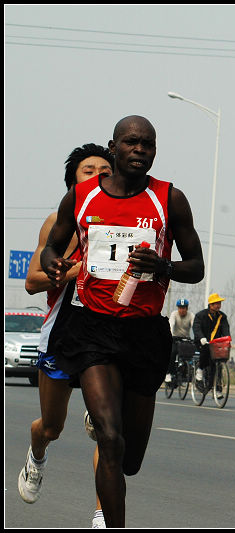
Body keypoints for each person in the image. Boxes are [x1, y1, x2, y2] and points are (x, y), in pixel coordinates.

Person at [40, 115, 204, 527]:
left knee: (129, 458)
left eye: (147, 145)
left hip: (144, 331)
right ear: (113, 148)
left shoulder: (169, 199)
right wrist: (55, 266)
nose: (140, 151)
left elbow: (196, 266)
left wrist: (163, 265)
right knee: (110, 441)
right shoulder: (82, 196)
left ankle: (111, 419)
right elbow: (51, 248)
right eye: (131, 143)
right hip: (92, 327)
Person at [18, 144, 113, 528]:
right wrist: (78, 269)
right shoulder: (58, 222)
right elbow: (31, 282)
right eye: (88, 170)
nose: (98, 175)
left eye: (105, 169)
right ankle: (37, 454)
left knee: (109, 431)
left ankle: (102, 514)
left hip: (107, 336)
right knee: (52, 427)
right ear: (74, 183)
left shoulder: (124, 222)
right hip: (63, 334)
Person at [193, 293, 230, 387]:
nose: (218, 305)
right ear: (210, 305)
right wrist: (201, 337)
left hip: (216, 344)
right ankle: (200, 371)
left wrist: (227, 339)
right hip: (203, 342)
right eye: (216, 303)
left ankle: (217, 386)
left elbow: (225, 329)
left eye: (219, 303)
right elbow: (196, 328)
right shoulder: (201, 315)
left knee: (218, 362)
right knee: (205, 351)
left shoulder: (222, 317)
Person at [165, 298, 194, 385]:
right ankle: (168, 373)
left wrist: (196, 337)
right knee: (172, 353)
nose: (182, 310)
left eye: (184, 308)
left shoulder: (191, 315)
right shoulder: (174, 314)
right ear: (178, 308)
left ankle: (184, 373)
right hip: (175, 338)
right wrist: (170, 334)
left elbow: (194, 326)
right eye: (180, 308)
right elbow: (171, 323)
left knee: (189, 355)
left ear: (187, 308)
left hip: (186, 339)